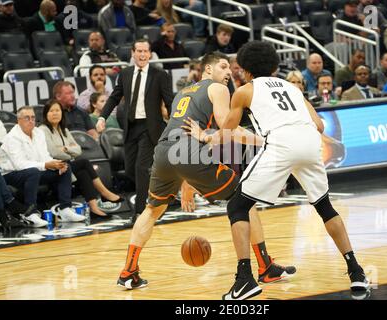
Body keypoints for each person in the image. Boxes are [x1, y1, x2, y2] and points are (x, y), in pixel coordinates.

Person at [188, 41, 369, 300]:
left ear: (245, 70)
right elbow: (318, 124)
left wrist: (204, 138)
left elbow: (227, 130)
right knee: (325, 207)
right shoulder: (293, 88)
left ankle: (244, 280)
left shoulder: (244, 91)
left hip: (282, 144)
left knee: (237, 207)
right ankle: (356, 271)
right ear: (274, 66)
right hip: (309, 143)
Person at [116, 51, 296, 290]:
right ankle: (265, 267)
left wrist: (185, 182)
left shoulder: (183, 92)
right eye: (223, 67)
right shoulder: (218, 89)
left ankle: (128, 272)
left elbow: (182, 134)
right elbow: (228, 128)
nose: (227, 74)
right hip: (187, 151)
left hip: (164, 151)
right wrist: (264, 141)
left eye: (230, 71)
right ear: (207, 70)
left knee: (151, 210)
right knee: (245, 202)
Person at [96, 39, 174, 218]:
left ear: (150, 54)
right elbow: (115, 97)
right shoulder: (125, 74)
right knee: (130, 169)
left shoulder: (160, 74)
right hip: (131, 127)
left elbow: (169, 102)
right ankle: (157, 190)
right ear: (133, 53)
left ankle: (140, 212)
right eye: (139, 51)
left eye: (145, 51)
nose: (142, 55)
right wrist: (102, 117)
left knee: (140, 168)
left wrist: (175, 123)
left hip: (151, 127)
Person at [0, 106, 85, 227]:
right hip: (9, 174)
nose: (31, 120)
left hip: (33, 171)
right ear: (19, 120)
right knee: (33, 172)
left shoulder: (38, 133)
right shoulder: (12, 137)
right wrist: (46, 164)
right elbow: (19, 164)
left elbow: (44, 156)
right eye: (27, 118)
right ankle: (30, 213)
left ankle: (65, 209)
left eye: (33, 117)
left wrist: (55, 163)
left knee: (65, 167)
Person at [39, 99, 123, 219]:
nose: (55, 113)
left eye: (57, 110)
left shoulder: (64, 129)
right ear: (46, 114)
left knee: (83, 172)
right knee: (84, 163)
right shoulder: (43, 130)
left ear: (62, 113)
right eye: (51, 111)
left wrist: (65, 149)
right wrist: (69, 150)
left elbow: (78, 150)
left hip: (66, 165)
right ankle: (104, 192)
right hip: (53, 168)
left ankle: (94, 208)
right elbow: (53, 152)